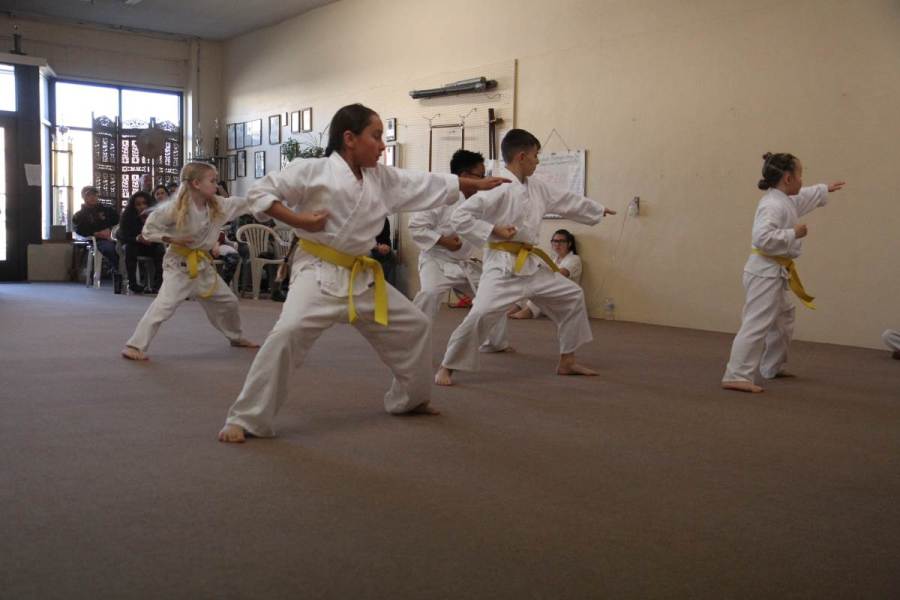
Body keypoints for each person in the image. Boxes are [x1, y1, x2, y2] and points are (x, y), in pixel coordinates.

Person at [218, 103, 508, 443]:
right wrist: (299, 220)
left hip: (362, 276)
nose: (383, 145)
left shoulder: (382, 179)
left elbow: (425, 182)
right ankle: (247, 418)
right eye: (376, 136)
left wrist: (474, 184)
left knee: (415, 326)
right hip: (318, 272)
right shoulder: (312, 170)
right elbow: (260, 194)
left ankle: (409, 399)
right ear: (349, 138)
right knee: (287, 332)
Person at [434, 128, 616, 386]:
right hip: (502, 267)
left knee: (573, 296)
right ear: (521, 156)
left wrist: (596, 209)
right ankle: (447, 367)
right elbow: (460, 216)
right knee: (481, 313)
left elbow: (566, 200)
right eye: (535, 155)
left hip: (530, 264)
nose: (537, 161)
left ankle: (567, 361)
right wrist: (494, 229)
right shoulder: (497, 187)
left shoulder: (537, 187)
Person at [722, 153, 845, 393]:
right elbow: (762, 238)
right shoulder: (772, 205)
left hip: (774, 271)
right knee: (756, 323)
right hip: (764, 272)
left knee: (783, 319)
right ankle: (736, 374)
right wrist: (793, 234)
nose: (802, 179)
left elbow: (801, 198)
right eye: (800, 174)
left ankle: (771, 366)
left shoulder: (782, 200)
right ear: (788, 178)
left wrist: (823, 189)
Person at [121, 162, 259, 361]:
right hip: (179, 265)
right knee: (165, 305)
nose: (216, 185)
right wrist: (172, 239)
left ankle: (235, 337)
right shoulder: (173, 208)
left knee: (229, 301)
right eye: (212, 181)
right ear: (196, 183)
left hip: (202, 266)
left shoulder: (218, 204)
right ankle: (134, 345)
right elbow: (148, 231)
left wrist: (269, 197)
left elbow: (243, 203)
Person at [408, 149, 510, 353]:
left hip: (463, 262)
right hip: (436, 260)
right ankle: (411, 342)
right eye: (480, 175)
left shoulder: (481, 200)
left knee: (494, 294)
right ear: (464, 175)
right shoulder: (439, 197)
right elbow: (416, 227)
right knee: (429, 294)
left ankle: (494, 342)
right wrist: (444, 241)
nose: (484, 180)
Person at [508, 229, 582, 319]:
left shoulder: (574, 259)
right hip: (552, 297)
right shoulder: (553, 259)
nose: (557, 244)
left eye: (561, 241)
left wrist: (540, 271)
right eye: (555, 241)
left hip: (564, 297)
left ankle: (529, 311)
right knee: (527, 283)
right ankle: (517, 307)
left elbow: (560, 275)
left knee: (541, 286)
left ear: (569, 244)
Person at [116, 190, 164, 294]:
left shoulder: (156, 216)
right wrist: (137, 238)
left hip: (151, 244)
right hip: (135, 245)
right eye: (138, 204)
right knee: (130, 248)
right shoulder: (127, 216)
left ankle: (158, 285)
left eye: (144, 203)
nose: (142, 206)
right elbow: (122, 236)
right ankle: (133, 284)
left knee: (160, 249)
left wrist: (152, 239)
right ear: (133, 206)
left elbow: (162, 233)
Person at [72, 185, 119, 278]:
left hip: (114, 237)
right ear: (83, 197)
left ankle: (125, 272)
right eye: (89, 195)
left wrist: (111, 230)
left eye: (94, 195)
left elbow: (118, 221)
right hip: (97, 240)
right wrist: (95, 233)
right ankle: (118, 271)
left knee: (126, 248)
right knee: (110, 249)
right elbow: (79, 229)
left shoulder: (108, 210)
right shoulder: (79, 215)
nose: (92, 197)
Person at [370, 218, 398, 287]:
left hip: (380, 251)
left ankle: (382, 284)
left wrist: (385, 247)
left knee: (390, 256)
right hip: (368, 250)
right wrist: (376, 247)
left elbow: (385, 241)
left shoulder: (384, 220)